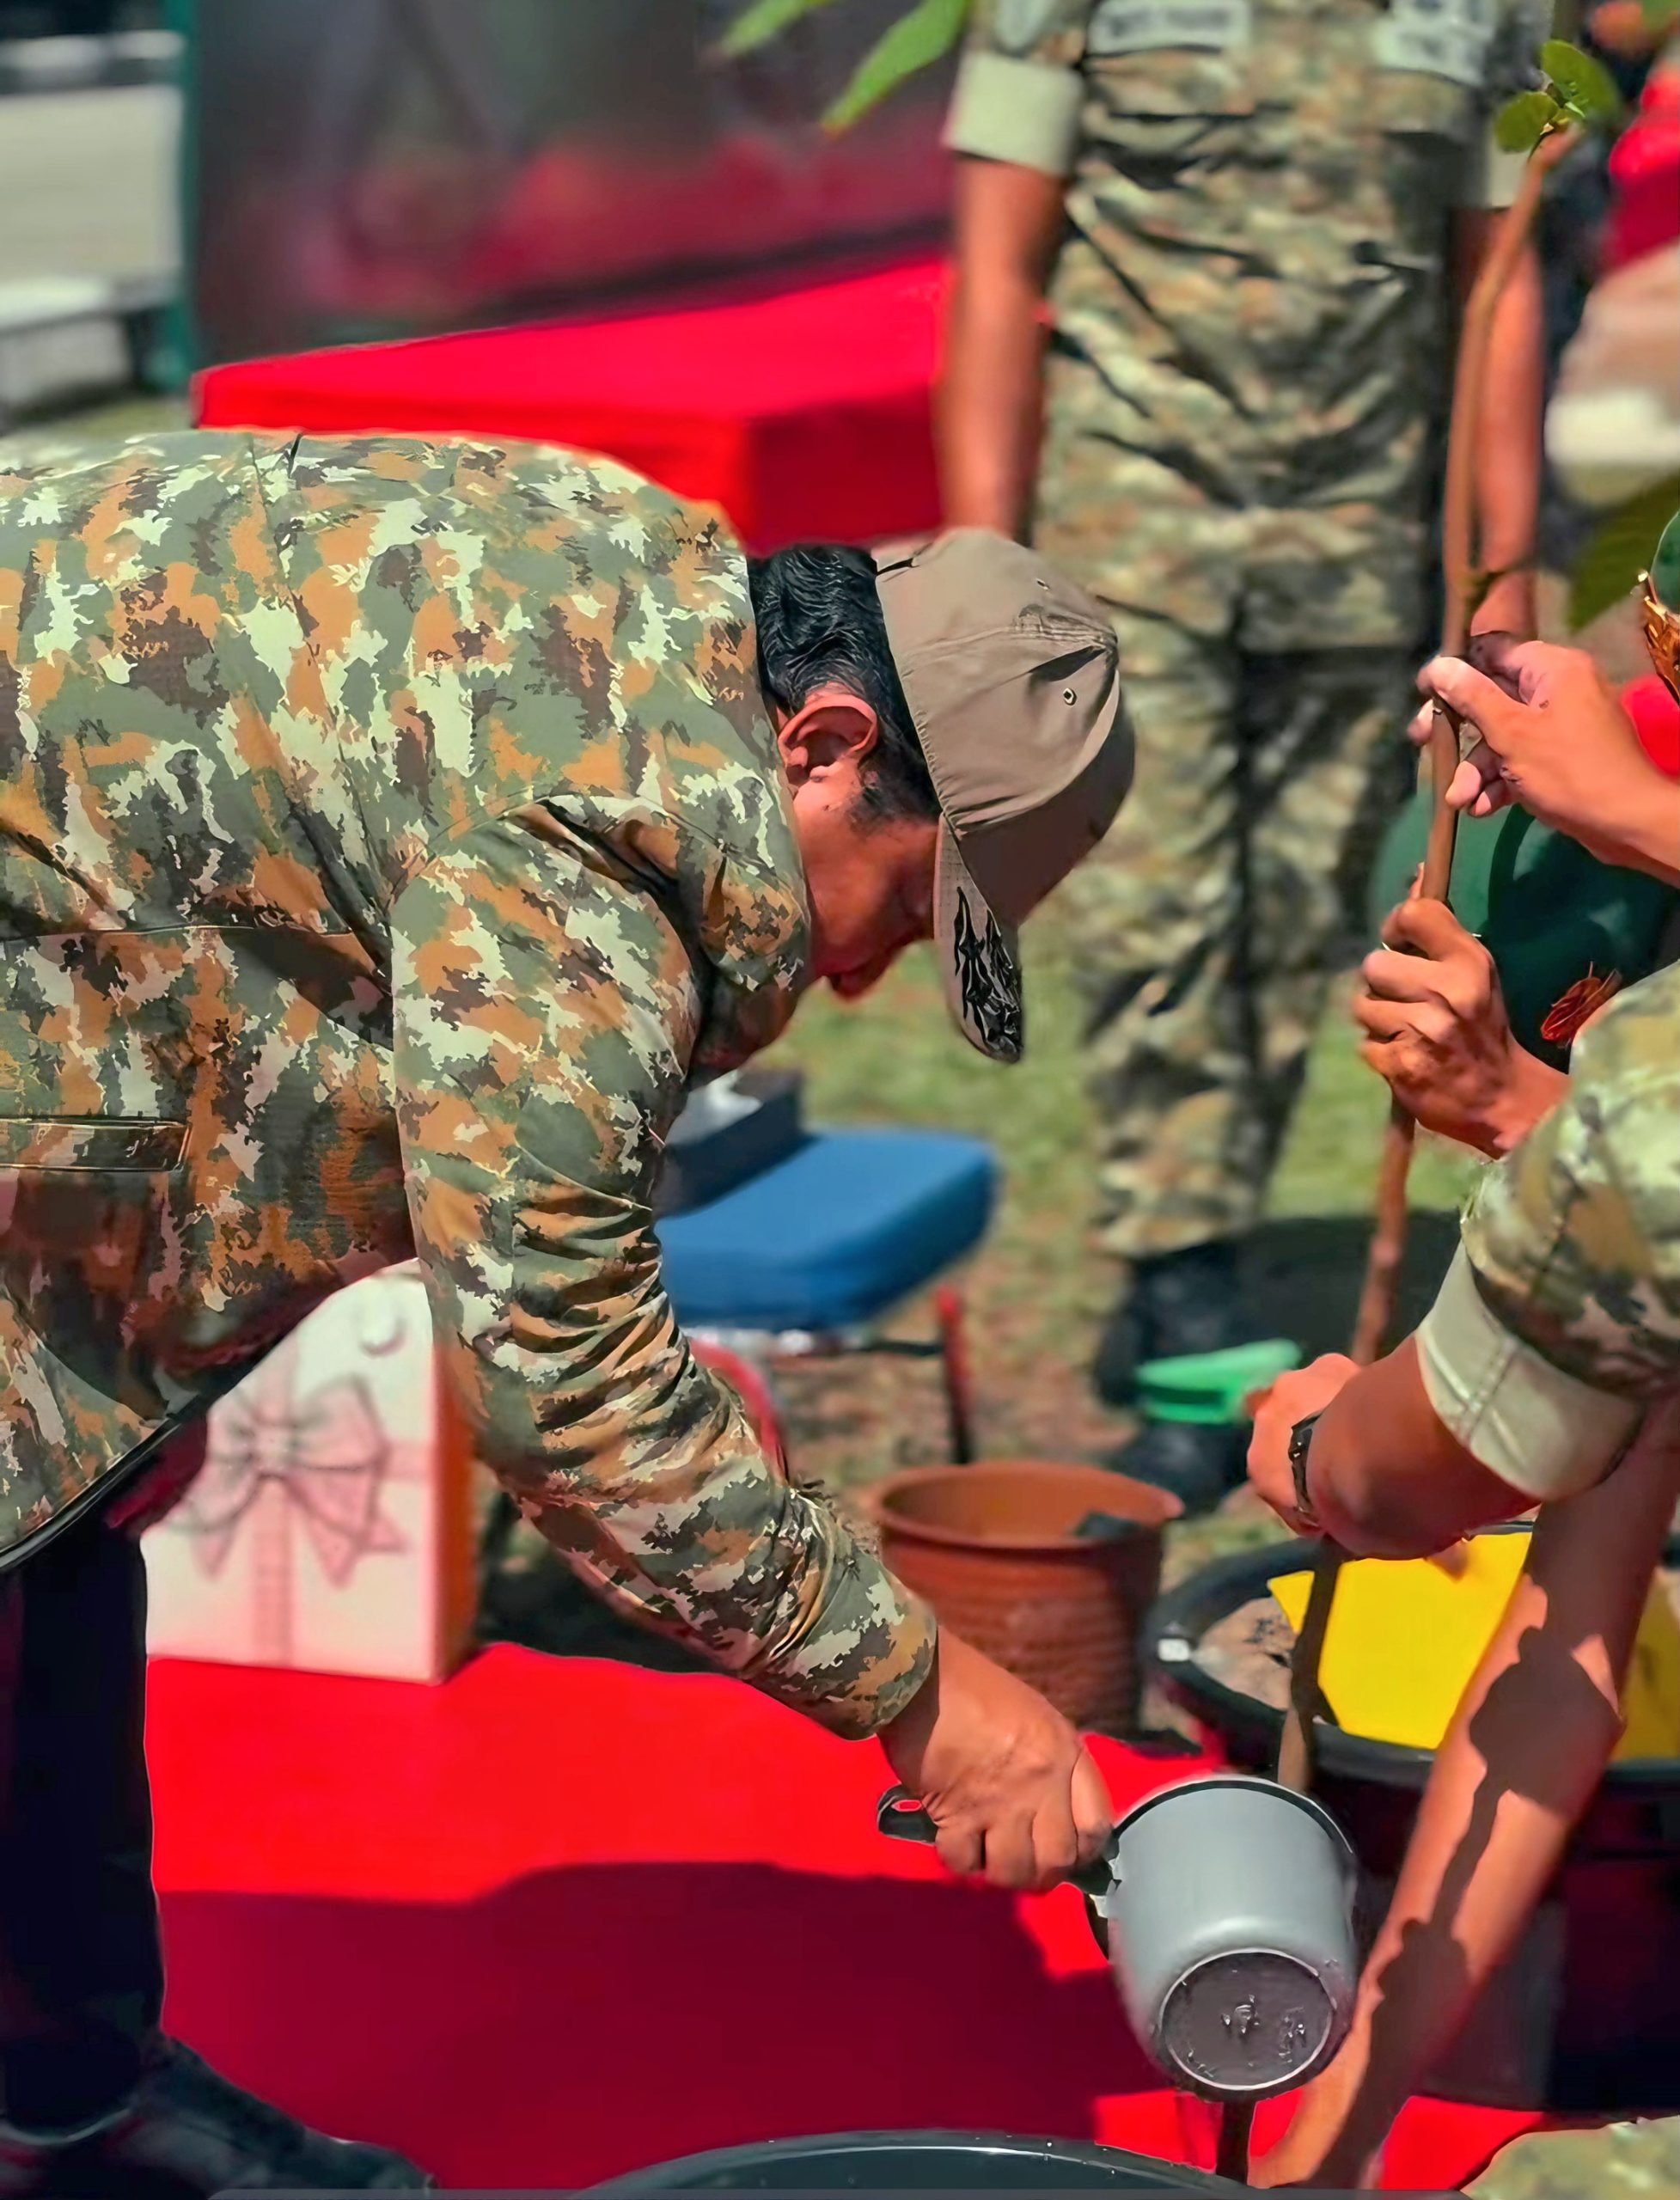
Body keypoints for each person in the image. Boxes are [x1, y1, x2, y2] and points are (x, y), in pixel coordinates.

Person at [0, 430, 1134, 2195]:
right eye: (910, 908)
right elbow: (574, 1388)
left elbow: (235, 869)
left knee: (54, 1518)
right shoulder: (591, 850)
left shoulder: (645, 572)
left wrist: (124, 1333)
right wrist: (925, 1695)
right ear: (824, 745)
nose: (860, 974)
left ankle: (59, 2103)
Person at [938, 0, 1550, 1510]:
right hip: (1130, 539)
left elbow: (1500, 275)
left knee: (1288, 937)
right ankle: (1188, 1295)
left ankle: (1193, 1254)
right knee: (1154, 918)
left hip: (1360, 550)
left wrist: (1509, 569)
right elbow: (998, 270)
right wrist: (980, 577)